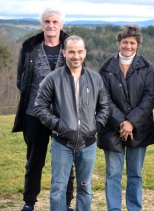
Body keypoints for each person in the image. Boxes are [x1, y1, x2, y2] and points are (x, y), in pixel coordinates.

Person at [33, 35, 110, 211]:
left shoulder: (96, 79)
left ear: (85, 53)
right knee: (58, 188)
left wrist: (95, 126)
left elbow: (105, 106)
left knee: (86, 187)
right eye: (71, 52)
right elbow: (39, 107)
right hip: (62, 144)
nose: (76, 56)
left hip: (88, 144)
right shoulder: (52, 78)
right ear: (64, 53)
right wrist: (60, 126)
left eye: (79, 52)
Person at [11, 7, 76, 211]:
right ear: (42, 24)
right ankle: (29, 202)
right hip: (34, 115)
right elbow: (22, 80)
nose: (51, 25)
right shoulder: (29, 48)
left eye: (55, 22)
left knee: (66, 162)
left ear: (61, 25)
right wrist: (39, 102)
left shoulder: (71, 46)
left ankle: (66, 202)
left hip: (64, 115)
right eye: (47, 21)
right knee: (34, 161)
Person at [97, 24, 154, 211]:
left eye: (132, 42)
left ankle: (134, 208)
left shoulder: (146, 67)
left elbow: (149, 97)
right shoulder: (106, 67)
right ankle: (113, 208)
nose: (128, 46)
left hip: (139, 127)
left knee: (135, 173)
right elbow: (103, 98)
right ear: (119, 43)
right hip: (112, 128)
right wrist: (122, 122)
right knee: (113, 173)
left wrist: (131, 122)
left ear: (137, 44)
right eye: (124, 42)